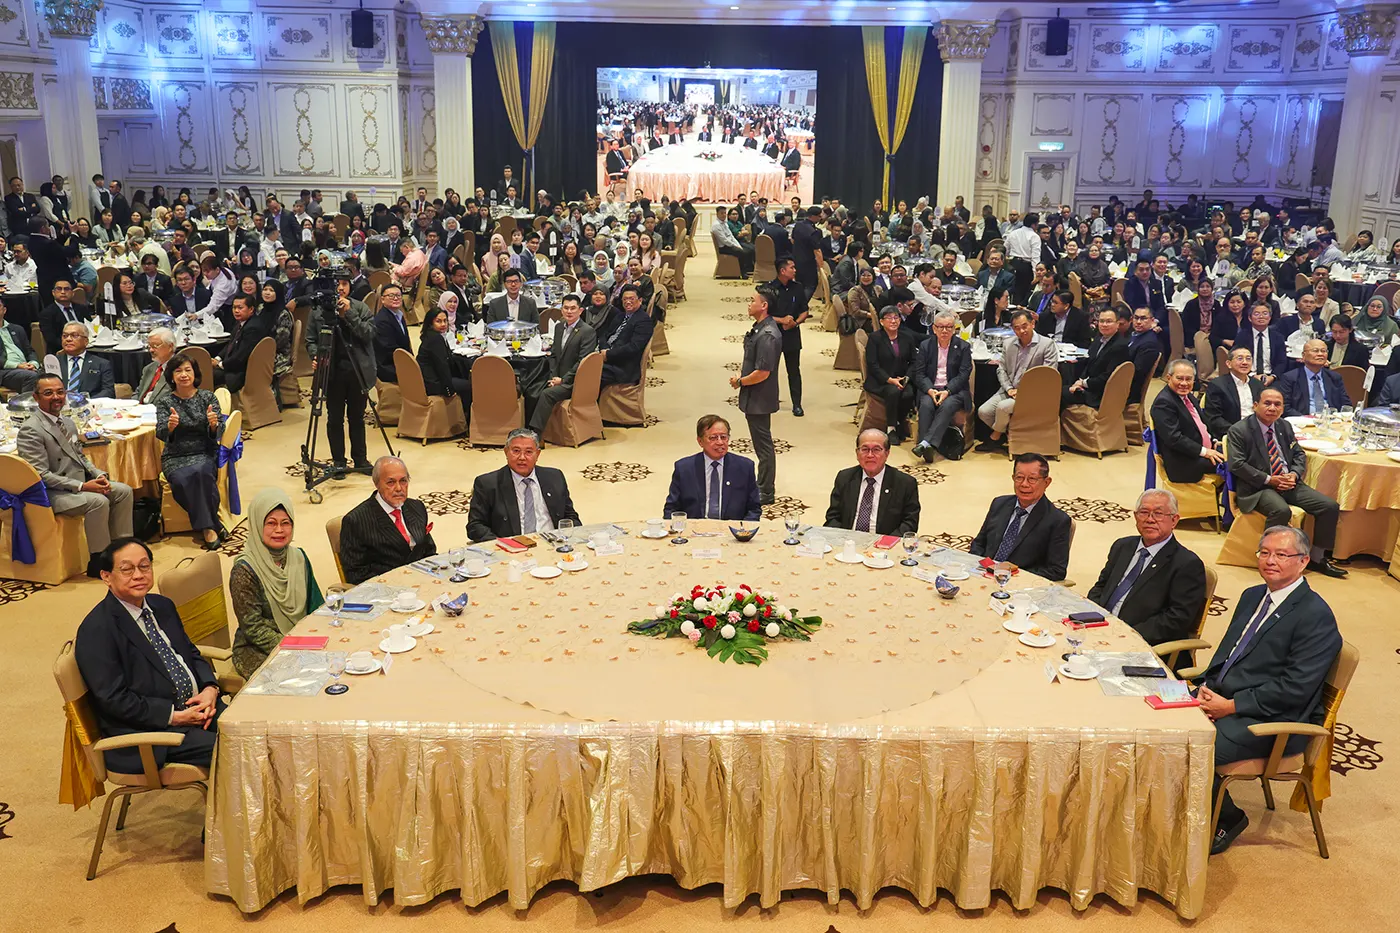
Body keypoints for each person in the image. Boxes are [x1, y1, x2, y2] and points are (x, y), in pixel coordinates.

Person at [1193, 525, 1342, 854]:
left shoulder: (1315, 616)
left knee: (1193, 744)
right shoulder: (1252, 595)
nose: (1270, 560)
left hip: (1275, 719)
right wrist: (1206, 686)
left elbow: (1294, 689)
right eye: (1265, 552)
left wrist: (1230, 706)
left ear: (1303, 562)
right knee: (1161, 722)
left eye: (1282, 554)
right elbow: (1229, 653)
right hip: (1226, 697)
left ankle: (1229, 817)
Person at [73, 538, 223, 773]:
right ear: (106, 576)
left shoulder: (162, 605)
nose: (138, 575)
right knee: (234, 748)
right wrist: (174, 716)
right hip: (153, 731)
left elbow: (190, 652)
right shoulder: (97, 630)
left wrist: (209, 689)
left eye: (144, 566)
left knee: (253, 730)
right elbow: (114, 699)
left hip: (199, 707)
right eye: (127, 569)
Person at [17, 374, 134, 577]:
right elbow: (40, 475)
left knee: (123, 491)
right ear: (36, 397)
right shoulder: (31, 430)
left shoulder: (68, 422)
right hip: (50, 493)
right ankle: (99, 561)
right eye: (48, 393)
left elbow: (80, 457)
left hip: (76, 483)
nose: (56, 397)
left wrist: (98, 475)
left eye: (60, 392)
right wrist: (82, 486)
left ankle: (123, 550)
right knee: (97, 501)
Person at [1227, 387, 1346, 577]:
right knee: (1281, 510)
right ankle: (1269, 559)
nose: (1272, 408)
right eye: (1267, 403)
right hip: (1258, 487)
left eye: (1277, 404)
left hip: (1288, 483)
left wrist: (1294, 474)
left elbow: (1299, 454)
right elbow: (1237, 465)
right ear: (1255, 405)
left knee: (1329, 506)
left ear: (1283, 408)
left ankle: (1317, 558)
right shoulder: (1239, 430)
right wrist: (1269, 479)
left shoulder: (1284, 426)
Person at [1086, 489, 1207, 647]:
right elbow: (1101, 587)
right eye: (1144, 512)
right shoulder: (1122, 546)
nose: (1150, 519)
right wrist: (1094, 619)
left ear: (1174, 520)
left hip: (1140, 643)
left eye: (1158, 514)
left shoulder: (1186, 564)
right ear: (1135, 516)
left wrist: (1126, 635)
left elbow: (1176, 619)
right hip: (1100, 630)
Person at [230, 489, 325, 680]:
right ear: (257, 525)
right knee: (301, 680)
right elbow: (253, 628)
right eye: (271, 523)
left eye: (285, 523)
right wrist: (295, 647)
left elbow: (316, 606)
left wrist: (320, 636)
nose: (279, 530)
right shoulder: (244, 570)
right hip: (258, 648)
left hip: (301, 638)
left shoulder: (299, 557)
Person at [155, 353, 225, 550]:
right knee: (181, 479)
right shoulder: (165, 402)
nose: (184, 375)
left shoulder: (207, 397)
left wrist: (213, 425)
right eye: (178, 371)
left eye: (188, 370)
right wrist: (170, 427)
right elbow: (160, 433)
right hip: (175, 455)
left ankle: (207, 528)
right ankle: (213, 523)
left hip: (204, 451)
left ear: (195, 374)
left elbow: (220, 431)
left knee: (202, 473)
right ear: (171, 376)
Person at [307, 272, 376, 473]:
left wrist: (348, 314)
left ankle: (360, 459)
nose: (340, 288)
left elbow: (369, 334)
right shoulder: (318, 310)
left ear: (350, 287)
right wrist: (316, 355)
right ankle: (338, 461)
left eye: (344, 284)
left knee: (357, 418)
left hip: (357, 370)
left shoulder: (360, 307)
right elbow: (310, 340)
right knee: (334, 419)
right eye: (336, 284)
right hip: (331, 372)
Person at [970, 453, 1073, 580]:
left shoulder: (1057, 520)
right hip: (982, 576)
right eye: (1019, 478)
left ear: (1047, 482)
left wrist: (1011, 575)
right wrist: (981, 568)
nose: (1024, 484)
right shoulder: (999, 504)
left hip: (1019, 585)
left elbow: (1056, 571)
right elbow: (979, 544)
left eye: (1032, 479)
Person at [467, 428, 581, 541]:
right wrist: (502, 544)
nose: (522, 457)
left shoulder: (555, 477)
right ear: (506, 452)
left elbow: (570, 517)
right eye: (516, 451)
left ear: (537, 454)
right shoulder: (487, 484)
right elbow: (475, 526)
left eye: (528, 452)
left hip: (553, 543)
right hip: (511, 547)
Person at [339, 457, 437, 584]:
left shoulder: (417, 507)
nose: (399, 488)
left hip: (423, 580)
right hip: (387, 588)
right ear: (377, 484)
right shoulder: (356, 521)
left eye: (403, 481)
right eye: (391, 482)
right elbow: (356, 574)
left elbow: (428, 551)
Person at [976, 309, 1058, 451]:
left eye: (1024, 326)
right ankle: (1009, 434)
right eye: (1017, 328)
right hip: (1010, 390)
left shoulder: (1047, 344)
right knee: (983, 412)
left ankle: (995, 437)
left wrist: (1024, 392)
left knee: (1003, 408)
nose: (1021, 331)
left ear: (1033, 324)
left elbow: (1047, 376)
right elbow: (1001, 370)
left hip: (1033, 394)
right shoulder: (1008, 343)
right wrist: (1009, 389)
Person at [732, 284, 782, 505]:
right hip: (754, 396)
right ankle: (763, 485)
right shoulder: (759, 328)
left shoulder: (768, 335)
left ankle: (766, 491)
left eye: (753, 300)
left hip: (760, 397)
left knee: (764, 447)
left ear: (764, 306)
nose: (749, 304)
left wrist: (740, 381)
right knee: (762, 444)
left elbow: (763, 372)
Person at [662, 414, 763, 522]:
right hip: (694, 528)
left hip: (732, 529)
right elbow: (671, 509)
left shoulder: (744, 467)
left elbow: (754, 509)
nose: (720, 442)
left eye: (723, 437)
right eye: (713, 438)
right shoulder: (684, 468)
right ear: (700, 441)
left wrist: (743, 529)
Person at [823, 428, 921, 535]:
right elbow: (833, 517)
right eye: (865, 449)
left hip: (885, 542)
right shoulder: (845, 478)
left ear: (887, 453)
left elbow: (909, 523)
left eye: (876, 449)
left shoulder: (905, 483)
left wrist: (885, 542)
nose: (870, 455)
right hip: (848, 540)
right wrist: (842, 539)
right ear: (857, 453)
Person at [526, 293, 597, 435]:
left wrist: (563, 380)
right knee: (531, 390)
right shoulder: (559, 327)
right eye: (566, 308)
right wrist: (554, 377)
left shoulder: (587, 332)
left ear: (580, 311)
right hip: (557, 376)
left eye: (573, 308)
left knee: (546, 394)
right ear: (561, 310)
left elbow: (582, 363)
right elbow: (553, 355)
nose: (569, 311)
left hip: (574, 381)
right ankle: (526, 428)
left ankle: (536, 434)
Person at [909, 310, 973, 462]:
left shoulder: (963, 347)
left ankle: (924, 443)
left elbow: (964, 375)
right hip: (931, 388)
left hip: (954, 391)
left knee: (948, 405)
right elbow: (919, 374)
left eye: (949, 327)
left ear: (954, 329)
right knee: (926, 405)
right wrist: (930, 390)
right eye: (941, 327)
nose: (945, 331)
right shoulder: (926, 346)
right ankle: (927, 447)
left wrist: (947, 391)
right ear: (934, 328)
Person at [1151, 358, 1227, 483]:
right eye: (1179, 378)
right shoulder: (1163, 403)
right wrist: (1205, 452)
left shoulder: (1188, 395)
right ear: (1169, 378)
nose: (1184, 383)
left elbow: (1202, 423)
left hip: (1203, 449)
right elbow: (1174, 438)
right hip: (1184, 461)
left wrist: (1213, 440)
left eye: (1188, 379)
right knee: (1236, 465)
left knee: (1243, 454)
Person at [1061, 307, 1131, 410]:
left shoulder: (1120, 346)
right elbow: (1089, 363)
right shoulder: (1098, 338)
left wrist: (1084, 383)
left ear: (1117, 324)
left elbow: (1108, 377)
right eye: (1101, 321)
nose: (1104, 324)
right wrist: (1079, 382)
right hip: (1089, 385)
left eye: (1109, 321)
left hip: (1100, 394)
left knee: (1059, 393)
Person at [865, 306, 917, 442]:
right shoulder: (875, 338)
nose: (893, 321)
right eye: (889, 318)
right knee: (893, 392)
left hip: (901, 379)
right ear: (882, 322)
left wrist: (906, 377)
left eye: (896, 317)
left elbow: (914, 361)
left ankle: (899, 422)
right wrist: (889, 380)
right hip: (880, 380)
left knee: (909, 394)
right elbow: (873, 365)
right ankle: (891, 428)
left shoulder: (907, 337)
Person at [598, 283, 654, 390]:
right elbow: (605, 335)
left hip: (623, 367)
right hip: (607, 357)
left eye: (631, 299)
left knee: (589, 372)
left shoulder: (644, 321)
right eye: (625, 299)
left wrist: (609, 354)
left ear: (640, 300)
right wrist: (604, 350)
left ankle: (588, 399)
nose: (628, 302)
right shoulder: (620, 315)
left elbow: (633, 347)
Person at [212, 294, 270, 392]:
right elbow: (230, 344)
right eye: (234, 307)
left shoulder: (253, 328)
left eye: (240, 308)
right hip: (233, 366)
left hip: (241, 372)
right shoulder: (241, 322)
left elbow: (241, 357)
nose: (236, 311)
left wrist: (220, 364)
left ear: (251, 309)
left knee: (206, 375)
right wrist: (217, 358)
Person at [1277, 339, 1348, 417]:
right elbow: (1285, 406)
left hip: (1331, 419)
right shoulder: (1290, 378)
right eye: (1315, 351)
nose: (1320, 354)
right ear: (1303, 355)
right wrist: (1305, 418)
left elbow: (1346, 404)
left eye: (1323, 351)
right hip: (1302, 420)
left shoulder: (1334, 377)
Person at [416, 303, 472, 402]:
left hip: (430, 378)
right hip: (433, 383)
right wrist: (448, 390)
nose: (443, 324)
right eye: (438, 321)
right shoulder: (435, 339)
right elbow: (442, 366)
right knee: (469, 385)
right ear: (430, 323)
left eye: (445, 321)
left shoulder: (432, 335)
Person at [1204, 347, 1262, 440]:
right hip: (1232, 434)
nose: (1245, 362)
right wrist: (1238, 432)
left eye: (1248, 359)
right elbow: (1214, 418)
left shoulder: (1257, 384)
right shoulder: (1217, 385)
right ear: (1229, 363)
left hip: (1258, 433)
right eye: (1240, 358)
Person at [55, 321, 114, 398]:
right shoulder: (54, 362)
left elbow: (109, 391)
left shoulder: (101, 364)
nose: (68, 339)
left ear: (86, 341)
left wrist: (85, 401)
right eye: (65, 336)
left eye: (74, 335)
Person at [38, 277, 92, 357]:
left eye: (66, 289)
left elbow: (90, 328)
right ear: (53, 293)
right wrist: (74, 344)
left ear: (72, 293)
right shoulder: (47, 314)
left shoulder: (82, 309)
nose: (63, 292)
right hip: (62, 352)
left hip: (88, 348)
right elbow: (51, 339)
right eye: (59, 289)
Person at [1237, 302, 1287, 385]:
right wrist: (1251, 376)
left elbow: (1282, 362)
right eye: (1256, 314)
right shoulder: (1242, 336)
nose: (1261, 317)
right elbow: (1237, 359)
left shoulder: (1278, 337)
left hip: (1272, 378)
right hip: (1247, 377)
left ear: (1270, 317)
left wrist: (1272, 377)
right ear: (1250, 318)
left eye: (1265, 313)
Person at [372, 283, 412, 383]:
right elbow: (390, 350)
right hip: (388, 366)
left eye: (398, 295)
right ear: (382, 299)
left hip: (400, 359)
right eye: (391, 296)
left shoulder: (398, 314)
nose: (396, 298)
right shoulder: (381, 321)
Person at [0, 295, 39, 393]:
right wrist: (17, 366)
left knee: (52, 373)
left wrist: (33, 364)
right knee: (31, 376)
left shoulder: (17, 329)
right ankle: (24, 402)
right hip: (4, 370)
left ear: (4, 310)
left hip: (25, 367)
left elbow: (29, 351)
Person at [711, 206, 754, 277]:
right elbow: (725, 240)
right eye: (721, 213)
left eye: (724, 213)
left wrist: (737, 245)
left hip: (730, 245)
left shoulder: (724, 223)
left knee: (746, 249)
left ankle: (746, 269)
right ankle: (743, 272)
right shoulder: (716, 225)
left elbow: (731, 236)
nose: (723, 215)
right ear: (717, 214)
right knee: (742, 252)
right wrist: (735, 246)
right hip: (724, 247)